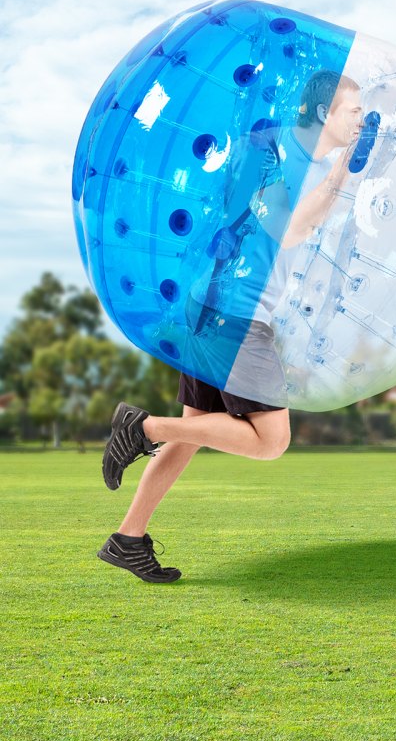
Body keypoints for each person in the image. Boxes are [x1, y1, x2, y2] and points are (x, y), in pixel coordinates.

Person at [97, 71, 364, 583]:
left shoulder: (310, 161)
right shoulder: (263, 153)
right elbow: (287, 231)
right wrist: (345, 170)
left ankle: (128, 538)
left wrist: (356, 164)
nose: (359, 118)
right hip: (231, 312)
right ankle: (142, 427)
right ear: (322, 111)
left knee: (195, 431)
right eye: (352, 110)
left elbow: (319, 208)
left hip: (215, 309)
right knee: (270, 440)